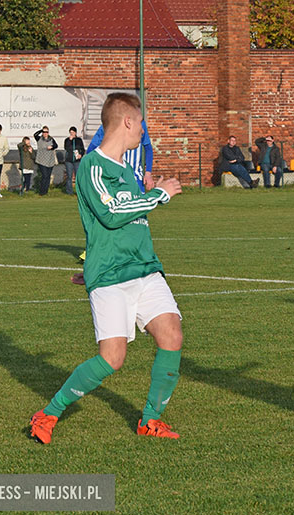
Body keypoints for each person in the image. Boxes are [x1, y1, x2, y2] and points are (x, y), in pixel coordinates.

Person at [30, 93, 183, 444]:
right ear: (128, 121)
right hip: (112, 278)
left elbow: (127, 224)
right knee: (113, 358)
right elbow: (111, 214)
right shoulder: (93, 166)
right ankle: (48, 413)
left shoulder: (128, 171)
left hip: (144, 269)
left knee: (172, 335)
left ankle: (150, 420)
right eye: (141, 123)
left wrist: (96, 259)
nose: (143, 132)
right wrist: (160, 194)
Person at [88, 119, 153, 193]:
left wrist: (148, 173)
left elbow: (148, 147)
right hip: (114, 177)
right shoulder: (108, 123)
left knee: (139, 202)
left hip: (135, 176)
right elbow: (91, 149)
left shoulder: (140, 122)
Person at [33, 126, 58, 195]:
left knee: (48, 176)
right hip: (41, 160)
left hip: (50, 160)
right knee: (44, 175)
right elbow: (35, 134)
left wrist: (52, 147)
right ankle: (41, 192)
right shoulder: (39, 138)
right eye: (44, 132)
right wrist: (41, 130)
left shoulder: (51, 139)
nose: (45, 133)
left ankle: (45, 191)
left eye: (46, 132)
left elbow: (56, 145)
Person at [63, 126, 85, 195]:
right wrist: (70, 140)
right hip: (69, 160)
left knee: (78, 176)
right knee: (69, 176)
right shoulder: (67, 140)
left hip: (77, 161)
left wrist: (80, 155)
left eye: (73, 132)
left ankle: (79, 192)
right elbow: (66, 148)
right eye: (70, 132)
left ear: (75, 132)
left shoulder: (79, 140)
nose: (71, 134)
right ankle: (69, 192)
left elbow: (82, 149)